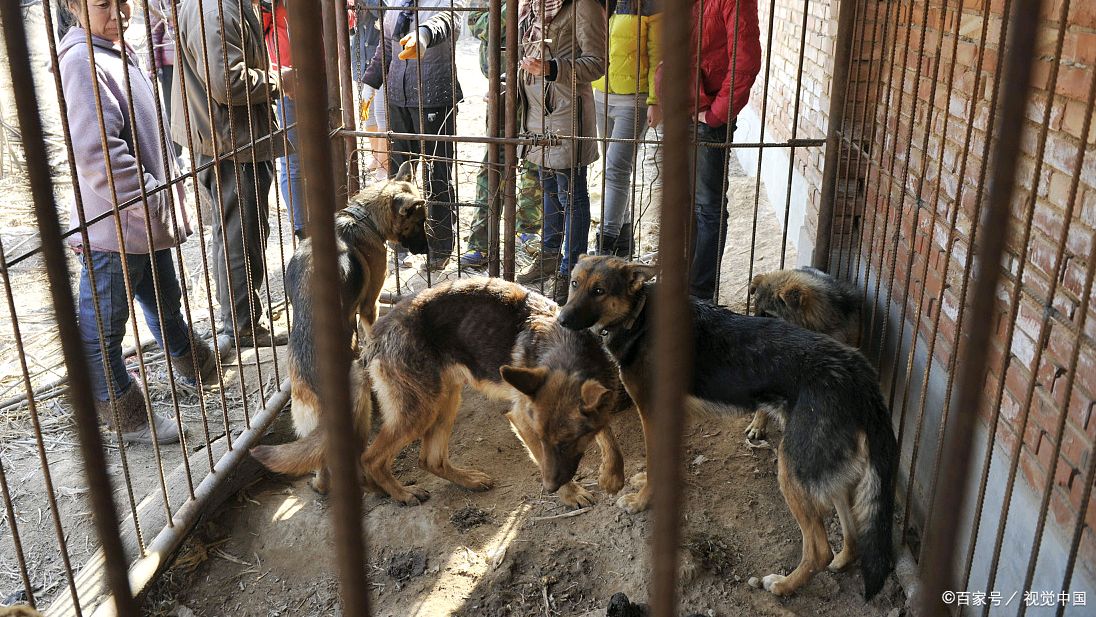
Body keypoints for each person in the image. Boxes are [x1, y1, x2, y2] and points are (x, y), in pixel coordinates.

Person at [59, 0, 216, 444]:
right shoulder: (82, 63)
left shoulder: (114, 51)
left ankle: (195, 365)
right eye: (103, 4)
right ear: (74, 7)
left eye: (123, 0)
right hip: (117, 230)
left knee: (165, 299)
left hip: (145, 222)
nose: (120, 11)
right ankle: (127, 415)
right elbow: (100, 157)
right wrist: (155, 200)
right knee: (99, 333)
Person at [172, 0, 290, 353]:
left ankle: (241, 319)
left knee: (240, 231)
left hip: (231, 136)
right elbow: (228, 82)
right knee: (240, 234)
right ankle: (241, 327)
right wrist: (278, 81)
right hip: (229, 140)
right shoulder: (215, 11)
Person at [514, 0, 607, 305]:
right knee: (549, 188)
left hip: (566, 114)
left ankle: (571, 272)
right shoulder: (533, 6)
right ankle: (550, 256)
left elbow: (597, 63)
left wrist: (553, 68)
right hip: (536, 114)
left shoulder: (583, 7)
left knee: (572, 194)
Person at [362, 0, 464, 272]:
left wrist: (423, 34)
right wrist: (370, 82)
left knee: (437, 173)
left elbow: (447, 20)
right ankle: (399, 240)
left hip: (434, 95)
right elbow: (385, 44)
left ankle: (441, 246)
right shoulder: (395, 1)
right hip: (398, 96)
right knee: (398, 175)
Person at [685, 0, 761, 301]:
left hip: (707, 115)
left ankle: (700, 295)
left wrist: (717, 114)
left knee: (707, 206)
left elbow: (745, 62)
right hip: (683, 106)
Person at [458, 5, 543, 269]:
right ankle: (482, 242)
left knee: (536, 160)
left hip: (543, 86)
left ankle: (528, 229)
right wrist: (514, 8)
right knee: (494, 163)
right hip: (502, 87)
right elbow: (480, 24)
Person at [591, 0, 661, 257]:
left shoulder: (650, 5)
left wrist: (655, 100)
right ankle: (623, 241)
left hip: (634, 100)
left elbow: (658, 57)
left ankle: (604, 243)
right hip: (600, 95)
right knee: (613, 171)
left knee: (615, 168)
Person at [261, 0, 305, 239]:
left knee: (330, 147)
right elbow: (254, 29)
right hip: (288, 81)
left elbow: (347, 21)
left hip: (323, 74)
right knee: (294, 160)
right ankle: (303, 230)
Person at [349, 0, 389, 179]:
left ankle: (385, 163)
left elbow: (386, 11)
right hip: (361, 59)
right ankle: (376, 156)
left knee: (382, 114)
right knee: (367, 113)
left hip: (380, 60)